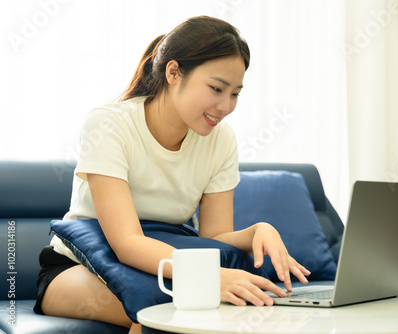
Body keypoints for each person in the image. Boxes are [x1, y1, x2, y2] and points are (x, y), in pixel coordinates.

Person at [33, 16, 310, 333]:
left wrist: (257, 232)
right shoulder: (109, 125)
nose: (225, 106)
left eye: (235, 93)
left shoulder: (221, 140)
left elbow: (213, 239)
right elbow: (127, 243)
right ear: (174, 72)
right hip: (79, 267)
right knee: (161, 315)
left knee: (220, 310)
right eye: (216, 88)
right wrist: (206, 279)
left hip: (163, 267)